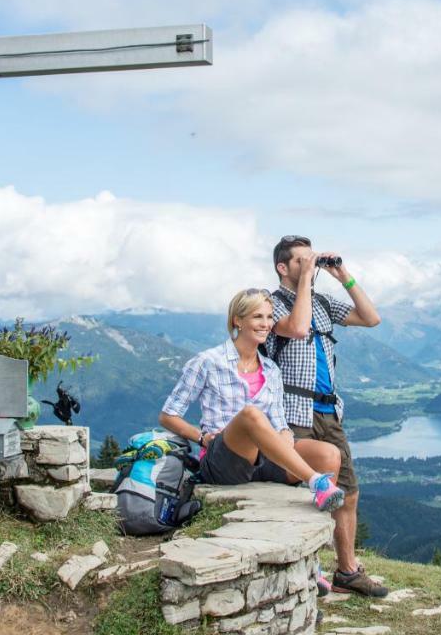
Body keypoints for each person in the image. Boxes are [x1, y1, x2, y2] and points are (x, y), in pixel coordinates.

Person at [266, 235, 386, 596]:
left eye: (312, 259)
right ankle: (307, 570)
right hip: (292, 410)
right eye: (302, 260)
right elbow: (298, 328)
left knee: (346, 492)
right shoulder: (269, 304)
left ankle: (347, 571)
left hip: (328, 410)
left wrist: (341, 274)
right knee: (300, 491)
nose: (311, 265)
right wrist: (305, 280)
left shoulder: (320, 302)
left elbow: (371, 317)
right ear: (282, 268)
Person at [159, 288, 345, 512]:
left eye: (269, 317)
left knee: (329, 453)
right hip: (224, 461)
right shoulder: (208, 361)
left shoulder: (271, 369)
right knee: (251, 414)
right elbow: (168, 415)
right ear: (238, 320)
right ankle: (316, 481)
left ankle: (323, 515)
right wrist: (202, 438)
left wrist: (285, 434)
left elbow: (279, 422)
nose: (266, 324)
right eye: (258, 316)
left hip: (264, 459)